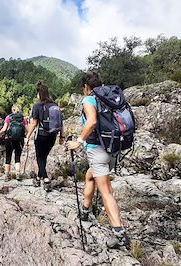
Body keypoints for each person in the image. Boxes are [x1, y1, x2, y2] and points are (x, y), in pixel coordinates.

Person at [66, 72, 130, 249]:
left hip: (97, 150)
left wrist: (79, 142)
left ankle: (119, 233)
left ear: (86, 87)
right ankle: (85, 211)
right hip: (113, 148)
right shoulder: (108, 97)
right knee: (89, 176)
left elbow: (92, 121)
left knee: (106, 191)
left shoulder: (89, 99)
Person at [25, 81, 65, 191]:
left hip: (41, 135)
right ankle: (38, 177)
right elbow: (61, 123)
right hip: (52, 136)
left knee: (40, 157)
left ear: (39, 94)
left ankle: (46, 179)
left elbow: (34, 123)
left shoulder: (37, 106)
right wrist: (62, 136)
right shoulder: (55, 105)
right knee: (44, 157)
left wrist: (27, 136)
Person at [0, 104, 28, 178]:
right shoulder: (23, 118)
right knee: (17, 156)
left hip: (9, 139)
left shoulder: (8, 117)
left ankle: (6, 175)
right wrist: (26, 137)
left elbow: (4, 129)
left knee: (8, 156)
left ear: (12, 110)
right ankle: (18, 174)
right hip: (19, 139)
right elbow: (27, 130)